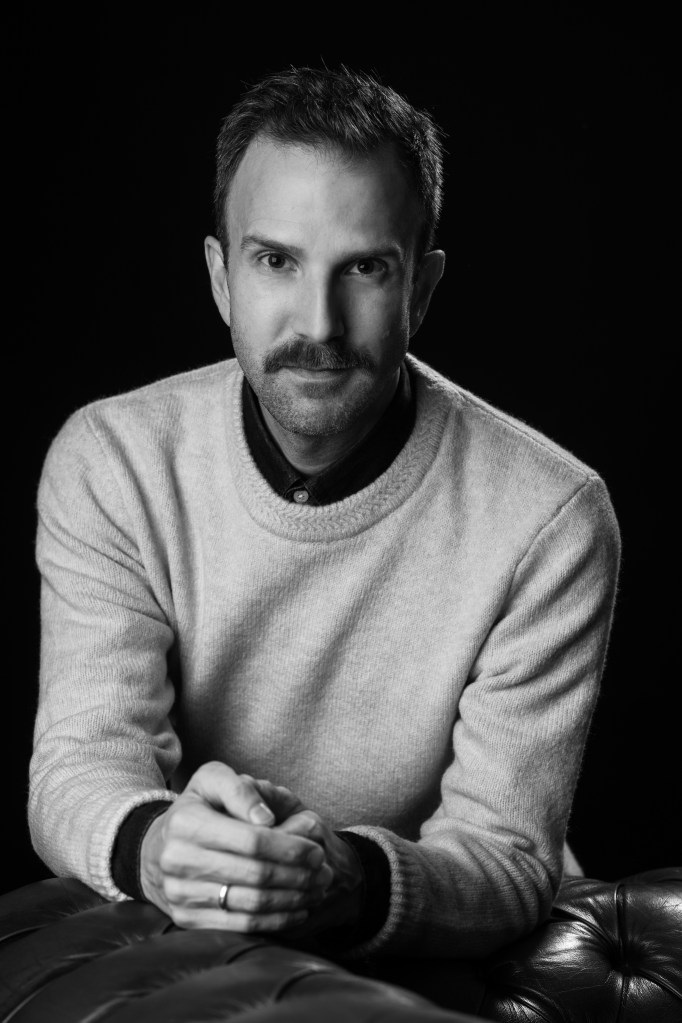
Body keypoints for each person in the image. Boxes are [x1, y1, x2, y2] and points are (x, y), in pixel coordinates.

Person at [29, 66, 620, 960]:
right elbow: (79, 762)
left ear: (421, 289)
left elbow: (505, 854)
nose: (319, 323)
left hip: (441, 964)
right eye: (276, 261)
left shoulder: (552, 516)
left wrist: (342, 876)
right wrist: (157, 846)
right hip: (198, 940)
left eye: (366, 268)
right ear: (221, 278)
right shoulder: (113, 460)